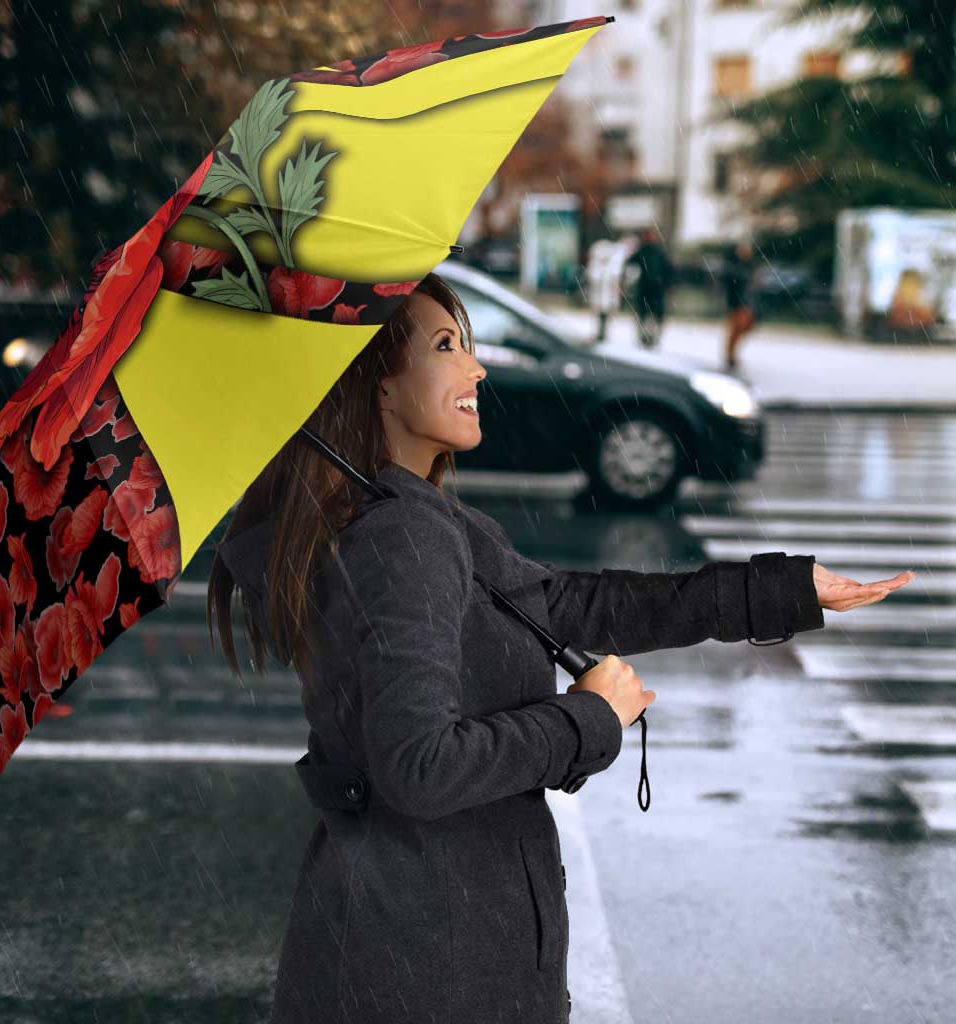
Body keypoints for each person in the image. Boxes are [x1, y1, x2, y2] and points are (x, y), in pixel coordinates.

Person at [207, 272, 913, 1024]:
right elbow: (419, 767)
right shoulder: (402, 537)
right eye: (447, 346)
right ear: (378, 387)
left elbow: (575, 605)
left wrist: (782, 590)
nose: (476, 368)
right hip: (428, 963)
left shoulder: (415, 519)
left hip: (418, 944)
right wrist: (586, 719)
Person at [624, 226, 674, 349]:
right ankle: (645, 337)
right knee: (645, 314)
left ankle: (651, 337)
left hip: (655, 288)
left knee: (652, 315)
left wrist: (667, 284)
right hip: (647, 288)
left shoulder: (657, 252)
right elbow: (630, 264)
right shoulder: (644, 251)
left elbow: (668, 270)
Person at [722, 239, 758, 370]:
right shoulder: (734, 267)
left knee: (744, 328)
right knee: (736, 329)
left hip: (746, 303)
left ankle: (731, 354)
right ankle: (730, 355)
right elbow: (731, 286)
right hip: (737, 303)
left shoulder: (749, 266)